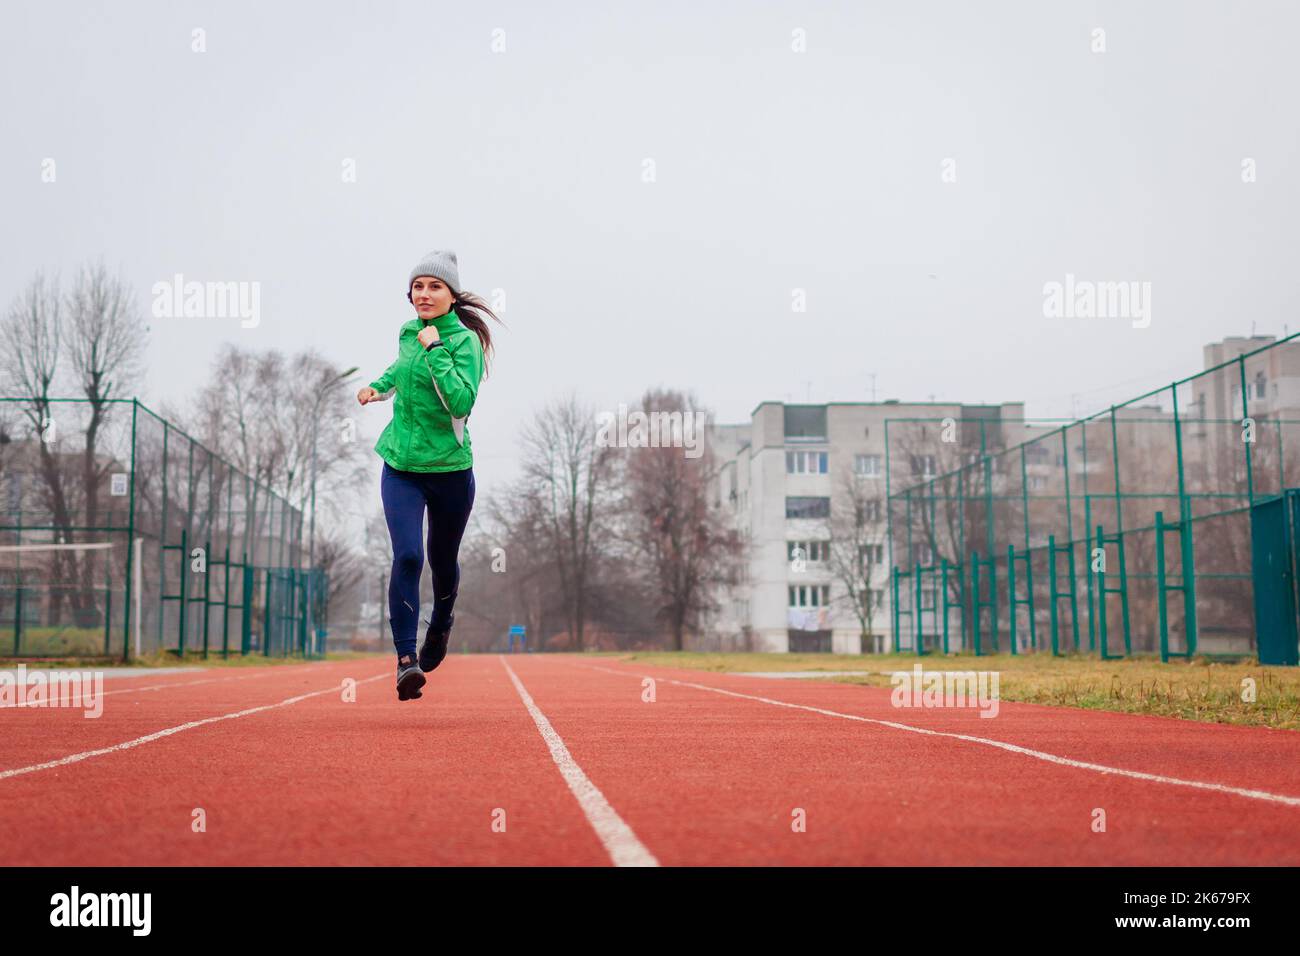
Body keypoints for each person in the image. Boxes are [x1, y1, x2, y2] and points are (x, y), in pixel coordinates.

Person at [356, 250, 501, 700]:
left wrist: (436, 348)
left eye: (434, 286)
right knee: (407, 557)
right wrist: (378, 388)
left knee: (441, 562)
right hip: (401, 466)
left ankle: (439, 624)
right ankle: (405, 662)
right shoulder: (408, 333)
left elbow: (460, 402)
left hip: (451, 472)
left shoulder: (464, 343)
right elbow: (401, 369)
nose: (424, 294)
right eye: (418, 286)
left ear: (452, 295)